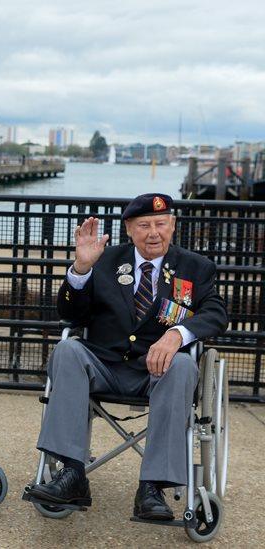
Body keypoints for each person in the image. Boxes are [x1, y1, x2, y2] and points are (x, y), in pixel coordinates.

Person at [28, 193, 228, 520]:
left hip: (158, 373)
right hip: (103, 364)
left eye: (161, 224)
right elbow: (70, 314)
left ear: (173, 225)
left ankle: (152, 488)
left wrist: (177, 334)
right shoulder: (104, 260)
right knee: (67, 349)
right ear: (129, 229)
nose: (154, 232)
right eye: (144, 225)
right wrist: (80, 269)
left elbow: (216, 313)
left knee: (181, 363)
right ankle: (72, 474)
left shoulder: (196, 268)